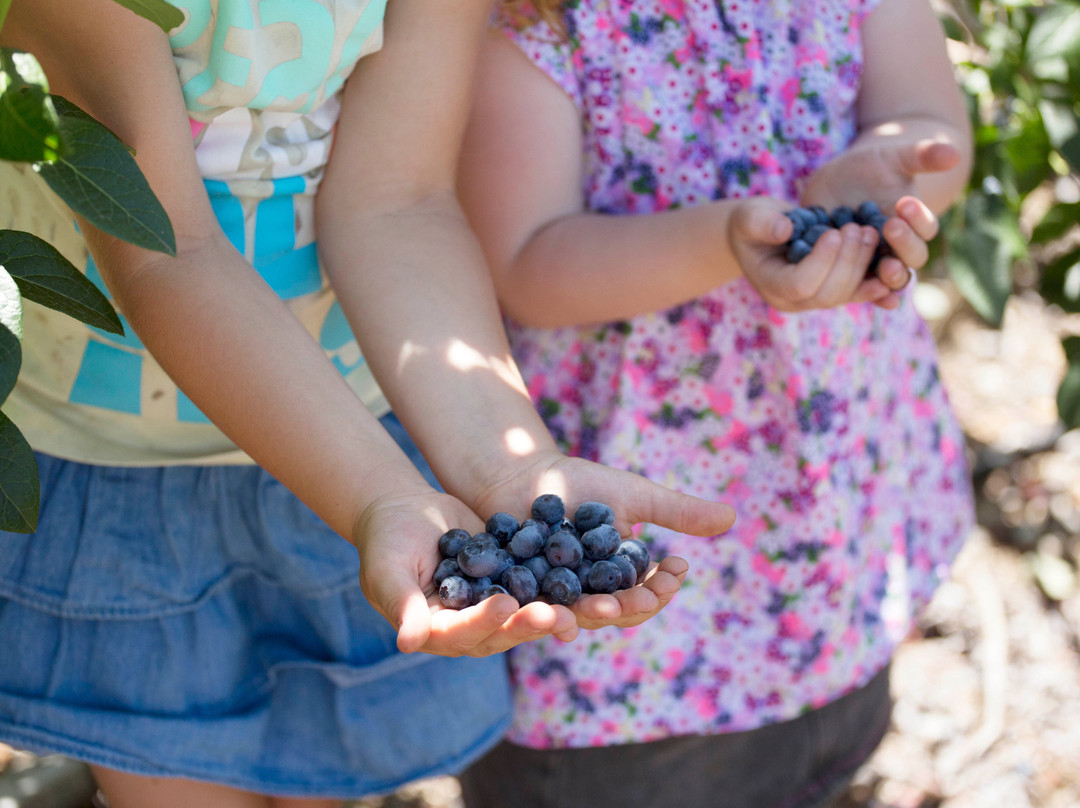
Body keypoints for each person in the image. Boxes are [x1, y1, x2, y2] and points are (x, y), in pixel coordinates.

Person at [0, 0, 738, 806]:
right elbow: (166, 249)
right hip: (122, 481)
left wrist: (504, 464)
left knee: (318, 781)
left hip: (345, 445)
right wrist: (382, 497)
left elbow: (398, 201)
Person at [456, 0, 976, 805]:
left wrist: (882, 175)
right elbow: (526, 262)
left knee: (821, 737)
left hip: (826, 507)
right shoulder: (540, 20)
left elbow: (931, 129)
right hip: (643, 548)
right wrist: (730, 240)